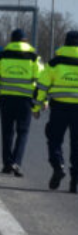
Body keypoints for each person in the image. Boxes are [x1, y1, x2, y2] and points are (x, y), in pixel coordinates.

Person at [0, 28, 45, 177]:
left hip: (6, 99)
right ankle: (16, 162)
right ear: (25, 40)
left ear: (11, 40)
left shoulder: (0, 56)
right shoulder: (34, 57)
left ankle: (7, 164)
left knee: (7, 132)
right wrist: (41, 102)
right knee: (22, 132)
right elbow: (41, 82)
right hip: (25, 100)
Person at [35, 30, 78, 192]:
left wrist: (36, 107)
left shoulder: (54, 63)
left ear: (65, 42)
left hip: (59, 107)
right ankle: (75, 181)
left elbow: (41, 87)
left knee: (54, 139)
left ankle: (58, 165)